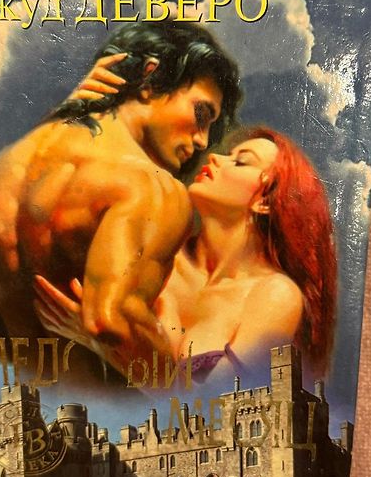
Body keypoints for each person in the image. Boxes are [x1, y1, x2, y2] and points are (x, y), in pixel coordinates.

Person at [0, 21, 242, 378]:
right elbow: (111, 322)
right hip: (104, 408)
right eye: (202, 114)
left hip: (13, 401)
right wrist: (186, 389)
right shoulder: (149, 187)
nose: (202, 141)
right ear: (149, 79)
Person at [35, 125, 337, 388]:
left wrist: (105, 347)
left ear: (266, 202)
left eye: (241, 161)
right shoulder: (159, 255)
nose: (215, 157)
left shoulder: (274, 295)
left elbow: (214, 409)